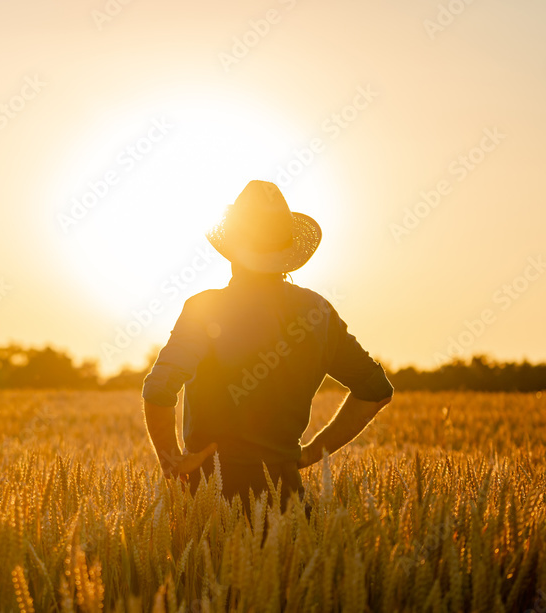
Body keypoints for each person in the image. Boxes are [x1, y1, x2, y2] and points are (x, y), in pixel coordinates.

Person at [141, 180, 394, 512]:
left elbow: (159, 388)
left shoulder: (207, 308)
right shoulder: (317, 313)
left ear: (232, 249)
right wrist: (311, 452)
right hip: (286, 497)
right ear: (287, 253)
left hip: (209, 499)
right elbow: (376, 390)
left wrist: (172, 460)